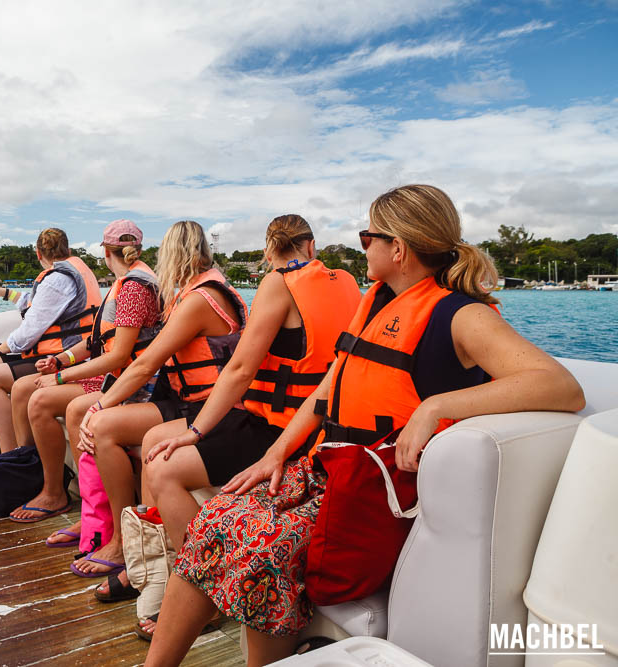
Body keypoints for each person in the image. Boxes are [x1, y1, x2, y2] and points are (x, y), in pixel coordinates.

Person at [144, 185, 586, 666]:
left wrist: (435, 407)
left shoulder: (459, 315)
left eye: (366, 237)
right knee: (214, 518)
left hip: (375, 488)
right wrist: (277, 453)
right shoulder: (376, 300)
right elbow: (328, 388)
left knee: (258, 545)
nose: (362, 247)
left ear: (397, 248)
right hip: (325, 467)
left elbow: (561, 386)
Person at [130, 214, 361, 639]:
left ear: (270, 251)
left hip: (275, 427)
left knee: (162, 466)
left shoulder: (279, 282)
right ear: (312, 246)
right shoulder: (347, 282)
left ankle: (203, 595)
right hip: (317, 423)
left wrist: (195, 431)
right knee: (157, 439)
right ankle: (162, 569)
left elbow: (238, 370)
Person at [73, 220, 247, 579]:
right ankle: (129, 540)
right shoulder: (191, 292)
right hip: (184, 399)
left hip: (210, 407)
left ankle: (125, 543)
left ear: (172, 254)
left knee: (102, 423)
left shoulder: (201, 299)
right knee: (105, 426)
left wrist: (98, 405)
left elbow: (146, 364)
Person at [5, 220, 161, 525]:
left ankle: (62, 496)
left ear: (105, 251)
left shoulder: (133, 289)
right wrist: (61, 360)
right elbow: (97, 341)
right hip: (116, 375)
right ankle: (68, 496)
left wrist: (61, 377)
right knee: (34, 392)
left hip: (129, 384)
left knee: (42, 401)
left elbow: (118, 355)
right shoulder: (124, 282)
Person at [0, 228, 102, 491]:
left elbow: (31, 329)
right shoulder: (70, 271)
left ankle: (7, 462)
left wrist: (1, 350)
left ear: (38, 253)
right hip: (61, 352)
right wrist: (3, 293)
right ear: (67, 249)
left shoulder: (58, 279)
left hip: (63, 357)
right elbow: (33, 302)